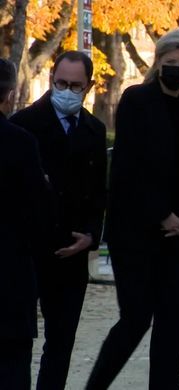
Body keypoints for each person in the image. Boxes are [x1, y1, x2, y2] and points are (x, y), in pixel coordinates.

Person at [86, 28, 179, 389]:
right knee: (135, 318)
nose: (178, 68)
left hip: (174, 233)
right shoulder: (136, 100)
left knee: (173, 322)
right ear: (158, 62)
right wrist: (161, 213)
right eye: (172, 62)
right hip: (135, 231)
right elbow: (130, 168)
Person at [11, 50, 107, 389]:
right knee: (17, 340)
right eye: (61, 83)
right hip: (29, 253)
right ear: (52, 81)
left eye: (75, 85)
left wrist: (91, 235)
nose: (67, 91)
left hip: (73, 252)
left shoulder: (95, 130)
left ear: (89, 86)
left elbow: (99, 195)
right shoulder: (23, 125)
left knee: (62, 341)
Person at [0, 58, 49, 390]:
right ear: (9, 92)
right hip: (10, 274)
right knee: (13, 367)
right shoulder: (19, 142)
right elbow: (39, 212)